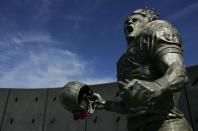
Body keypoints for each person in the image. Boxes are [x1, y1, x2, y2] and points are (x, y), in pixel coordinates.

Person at [92, 7, 193, 131]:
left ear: (147, 21)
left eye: (135, 20)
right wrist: (104, 104)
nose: (129, 22)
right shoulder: (122, 62)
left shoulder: (157, 29)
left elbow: (178, 71)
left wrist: (157, 86)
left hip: (165, 123)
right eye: (127, 21)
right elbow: (131, 106)